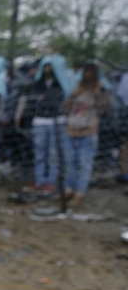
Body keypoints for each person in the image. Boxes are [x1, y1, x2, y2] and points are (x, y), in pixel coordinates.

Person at [15, 56, 68, 195]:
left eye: (50, 66)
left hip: (57, 121)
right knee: (39, 153)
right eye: (45, 66)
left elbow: (59, 100)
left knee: (53, 153)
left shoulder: (61, 84)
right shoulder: (35, 85)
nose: (47, 69)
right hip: (40, 120)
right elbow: (32, 101)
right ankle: (39, 181)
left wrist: (46, 100)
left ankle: (51, 182)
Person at [61, 62, 110, 206]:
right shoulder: (75, 88)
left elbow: (104, 110)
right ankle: (68, 189)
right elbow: (65, 108)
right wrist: (73, 95)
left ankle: (80, 193)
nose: (88, 74)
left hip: (88, 132)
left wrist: (97, 94)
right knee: (70, 162)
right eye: (86, 71)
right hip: (70, 130)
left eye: (92, 72)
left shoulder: (101, 90)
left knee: (84, 163)